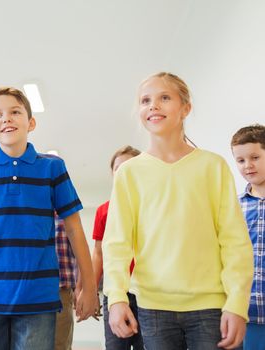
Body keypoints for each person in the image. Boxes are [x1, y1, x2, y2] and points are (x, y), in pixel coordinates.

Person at [103, 72, 253, 350]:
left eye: (164, 98)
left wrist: (236, 303)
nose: (153, 106)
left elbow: (234, 241)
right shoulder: (129, 173)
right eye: (145, 100)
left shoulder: (212, 166)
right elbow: (117, 243)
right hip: (153, 308)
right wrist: (117, 299)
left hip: (212, 307)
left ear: (186, 108)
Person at [0, 87, 99, 350]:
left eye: (15, 112)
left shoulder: (52, 167)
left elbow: (74, 229)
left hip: (39, 298)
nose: (6, 119)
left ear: (31, 122)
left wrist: (90, 286)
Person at [92, 145, 143, 350]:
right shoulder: (104, 211)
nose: (123, 172)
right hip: (115, 292)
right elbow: (98, 253)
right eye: (118, 168)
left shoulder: (151, 206)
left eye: (130, 166)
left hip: (148, 293)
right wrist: (92, 291)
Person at [231, 124, 265, 350]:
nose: (248, 165)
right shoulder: (234, 206)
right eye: (241, 160)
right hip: (247, 313)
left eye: (255, 157)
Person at [54, 216, 78, 350]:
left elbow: (80, 255)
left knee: (60, 344)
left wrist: (82, 289)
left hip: (61, 291)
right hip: (35, 291)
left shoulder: (67, 218)